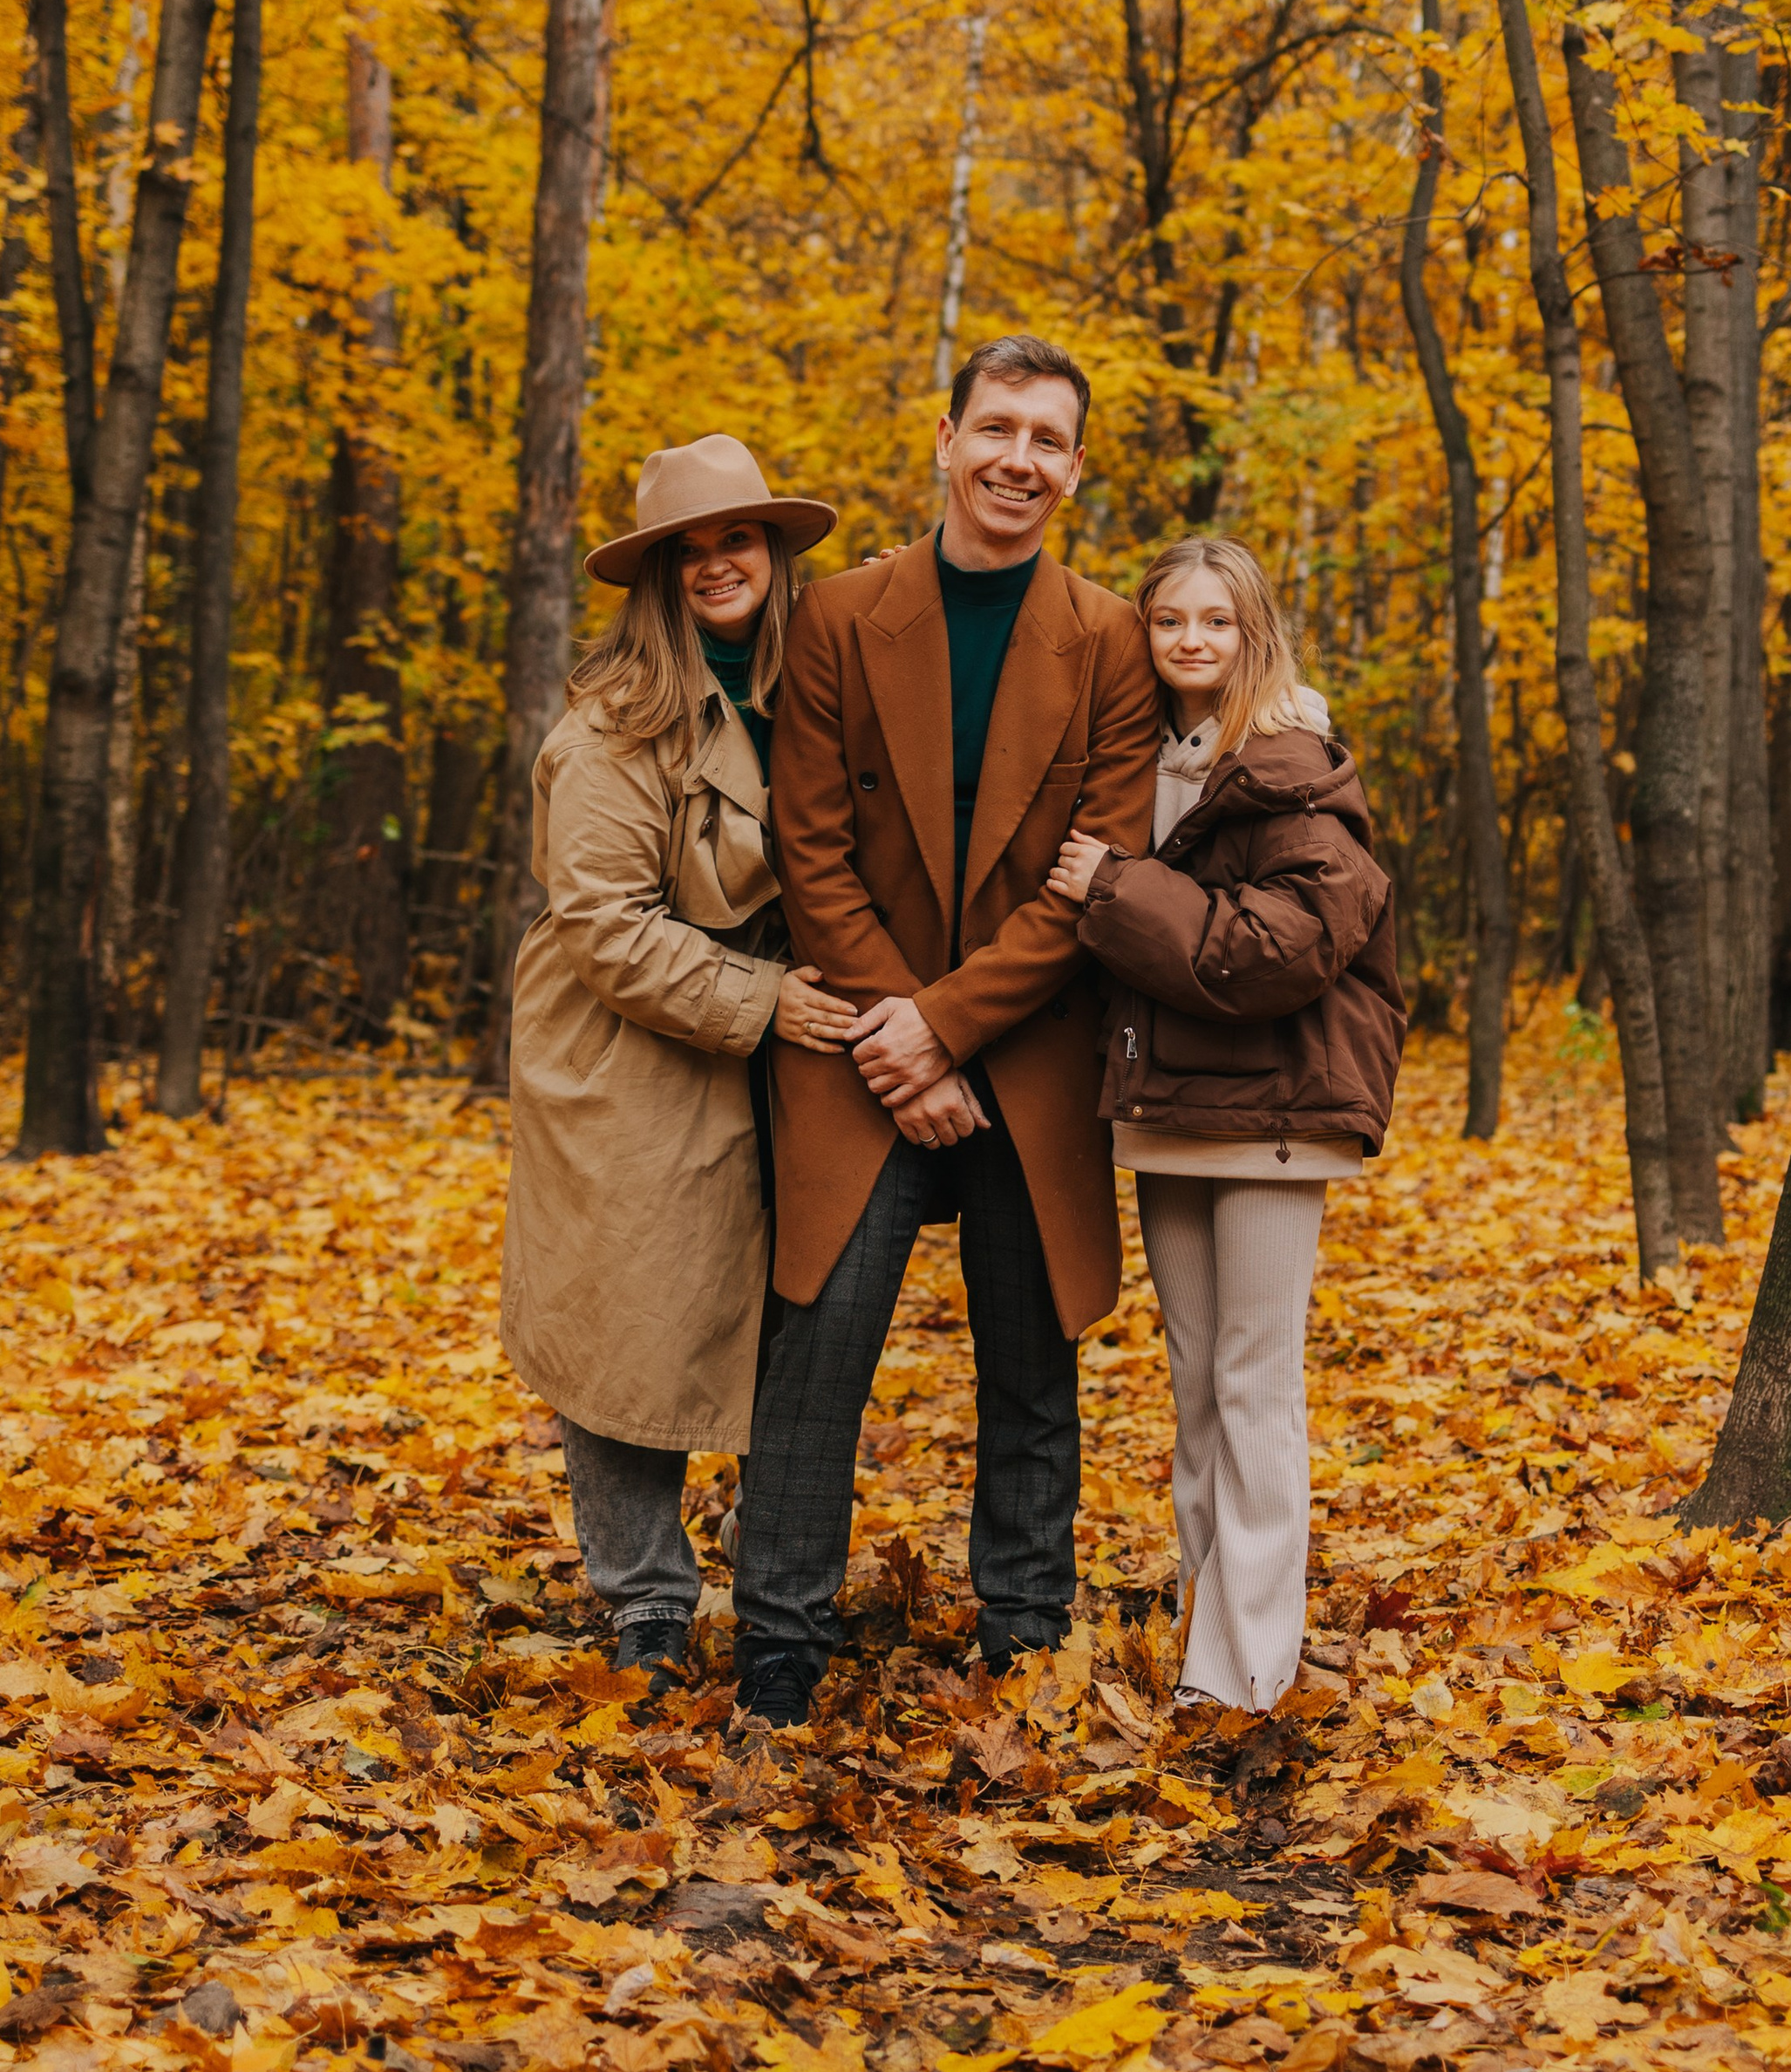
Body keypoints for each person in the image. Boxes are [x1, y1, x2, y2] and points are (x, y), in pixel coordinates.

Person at [730, 334, 1161, 1731]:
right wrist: (897, 1038)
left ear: (1076, 469)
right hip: (861, 1043)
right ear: (946, 438)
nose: (1016, 460)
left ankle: (1025, 1631)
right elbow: (810, 851)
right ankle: (778, 1640)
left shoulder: (1110, 639)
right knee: (820, 1346)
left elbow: (1097, 871)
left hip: (1023, 1047)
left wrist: (950, 1030)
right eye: (996, 429)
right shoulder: (841, 617)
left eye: (1047, 440)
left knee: (1032, 1360)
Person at [501, 434, 861, 1686]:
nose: (716, 564)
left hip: (780, 1031)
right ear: (657, 577)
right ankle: (645, 1599)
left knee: (790, 1306)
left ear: (772, 552)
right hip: (630, 1048)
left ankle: (778, 1576)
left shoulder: (821, 685)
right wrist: (765, 1000)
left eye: (736, 538)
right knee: (627, 1316)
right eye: (688, 550)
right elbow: (604, 924)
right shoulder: (610, 725)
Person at [1045, 536, 1405, 1713]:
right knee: (1197, 1380)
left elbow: (1286, 945)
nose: (1192, 641)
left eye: (1217, 621)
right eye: (1169, 620)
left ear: (1256, 636)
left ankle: (1250, 1669)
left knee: (1255, 1382)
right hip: (1171, 1107)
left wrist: (1113, 887)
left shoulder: (1290, 763)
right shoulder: (1141, 759)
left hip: (1275, 1110)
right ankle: (1214, 1618)